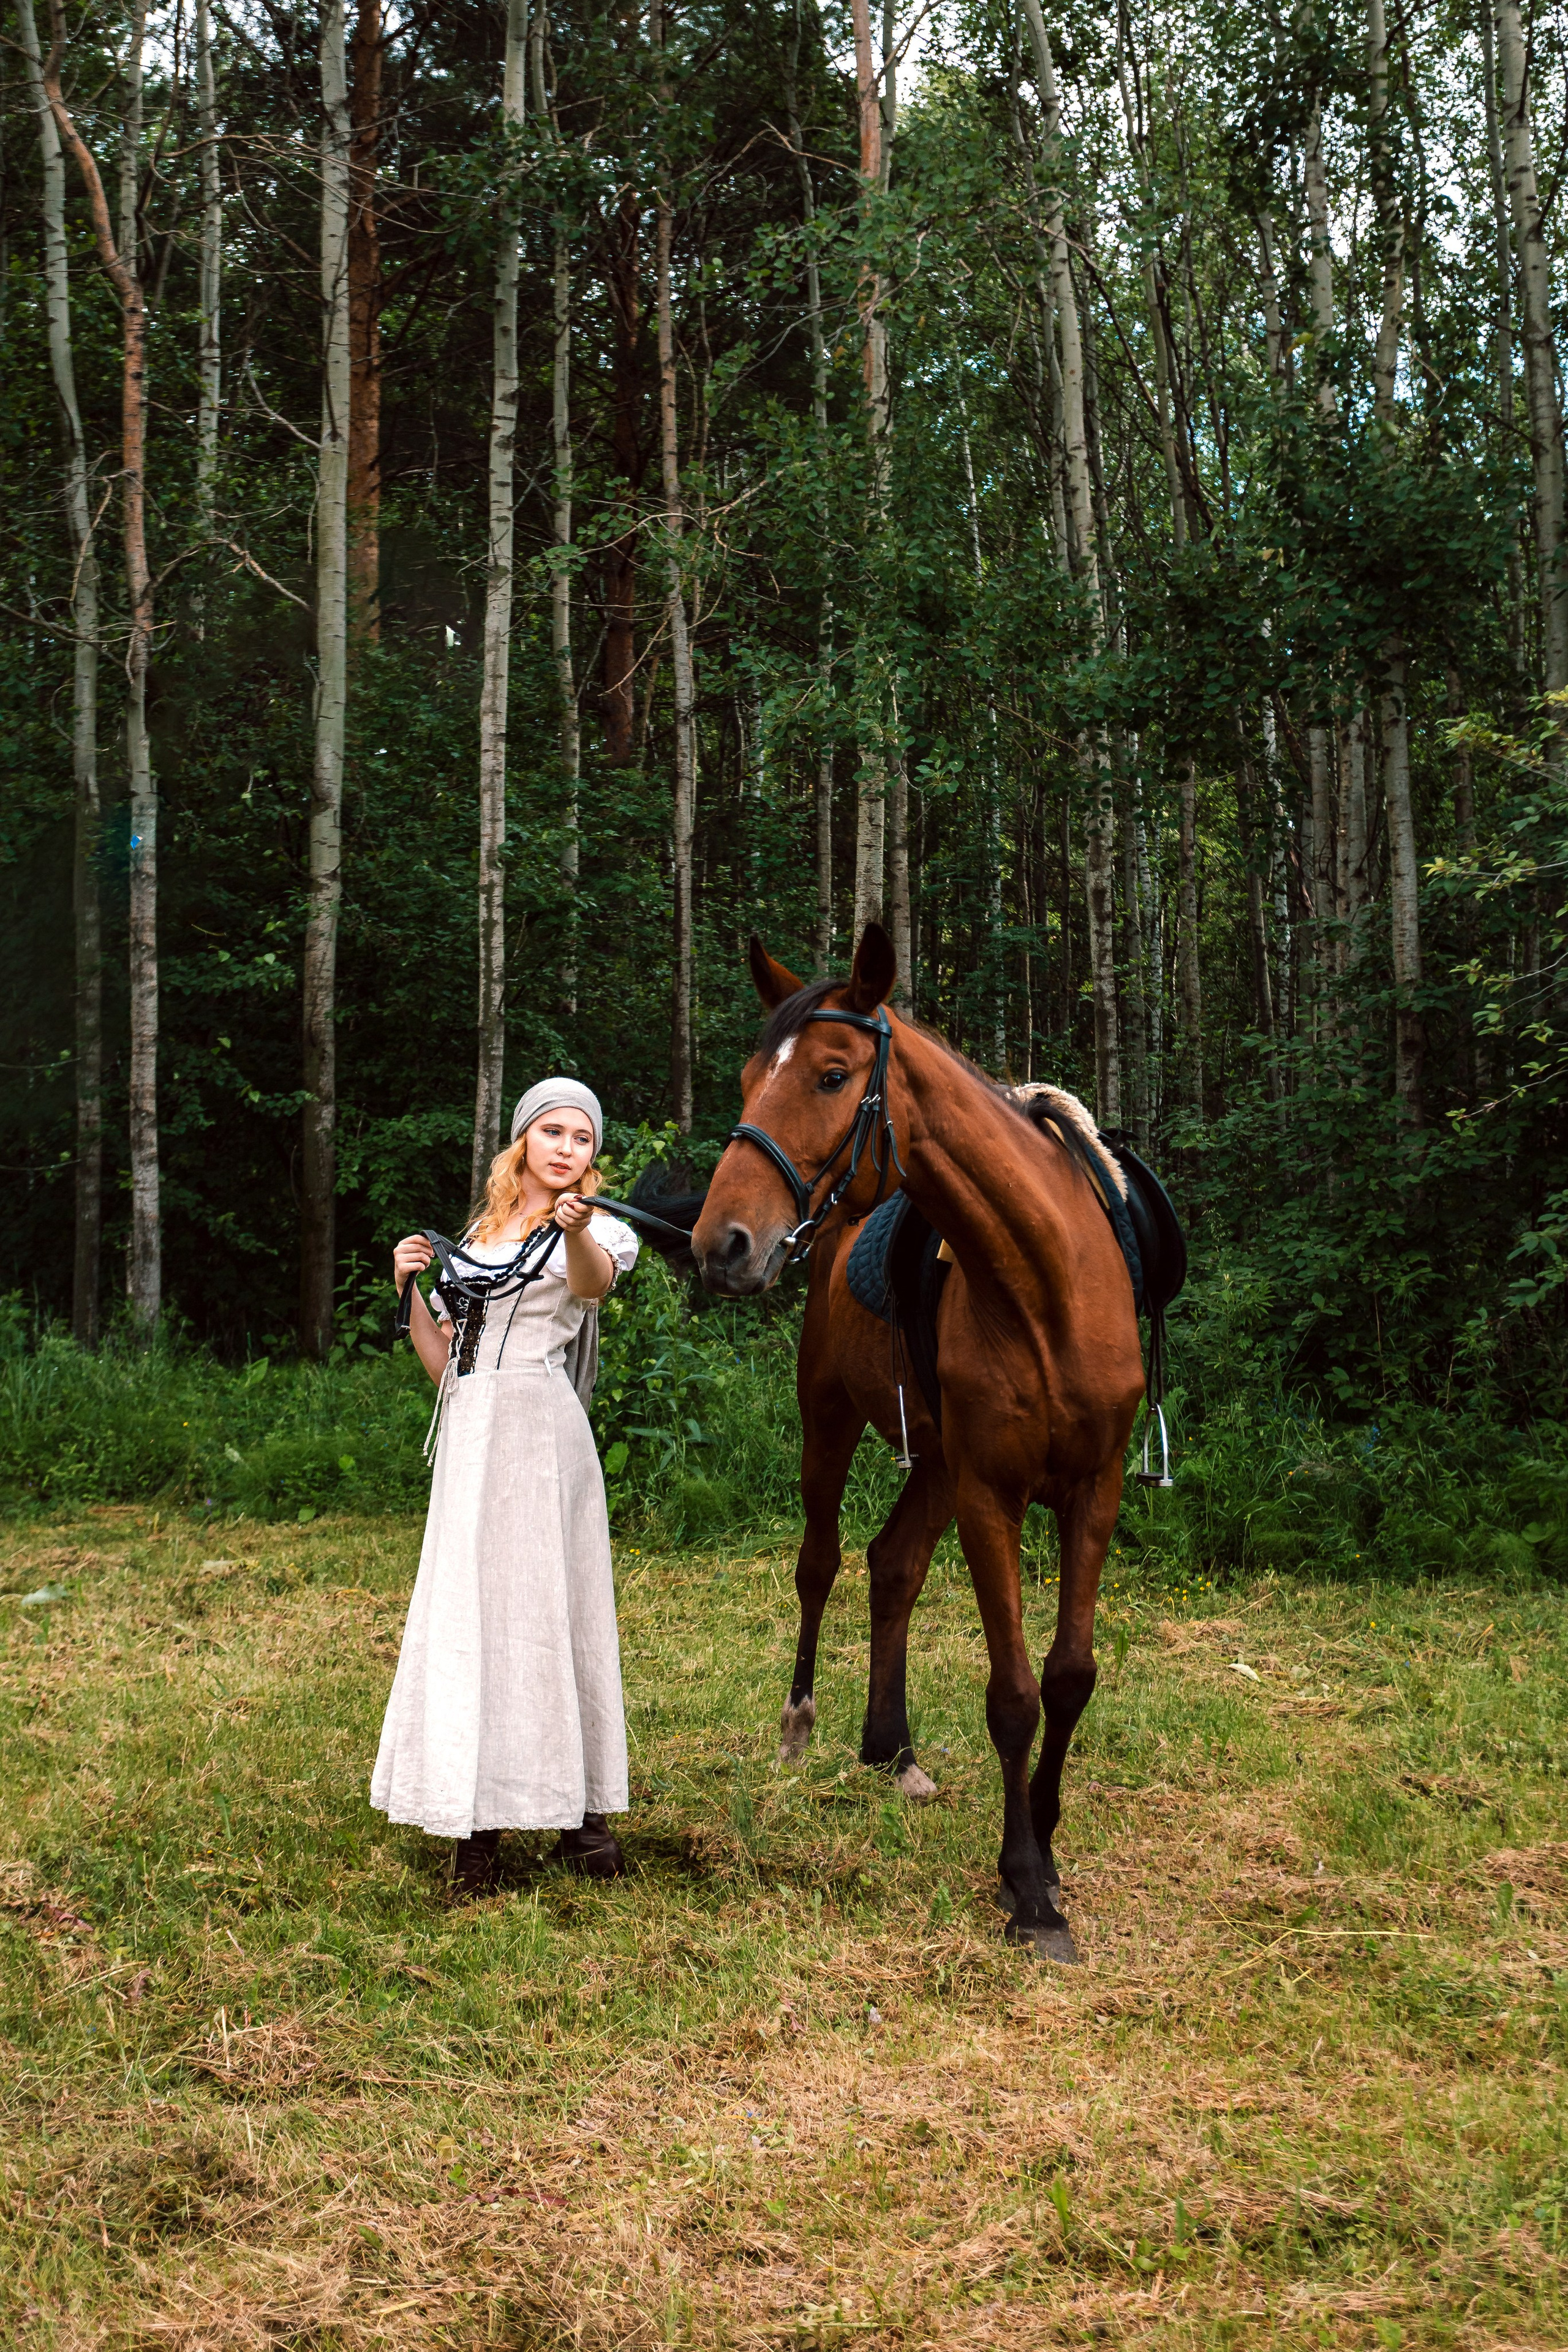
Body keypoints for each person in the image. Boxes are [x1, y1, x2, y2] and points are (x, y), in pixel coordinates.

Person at [371, 1079, 639, 1894]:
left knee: (546, 1611)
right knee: (472, 1611)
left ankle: (579, 1819)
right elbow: (444, 1364)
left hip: (538, 1429)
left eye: (582, 1139)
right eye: (553, 1132)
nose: (567, 1149)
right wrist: (408, 1288)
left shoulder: (594, 1230)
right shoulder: (480, 1236)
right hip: (471, 1431)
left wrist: (580, 1231)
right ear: (522, 1141)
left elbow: (592, 1288)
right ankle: (478, 1821)